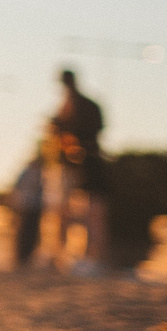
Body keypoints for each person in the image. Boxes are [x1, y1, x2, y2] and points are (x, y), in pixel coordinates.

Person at [53, 69, 111, 270]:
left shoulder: (78, 106)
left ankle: (88, 255)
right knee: (72, 210)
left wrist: (72, 142)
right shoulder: (74, 104)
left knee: (86, 211)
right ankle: (75, 255)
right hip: (78, 163)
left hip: (84, 163)